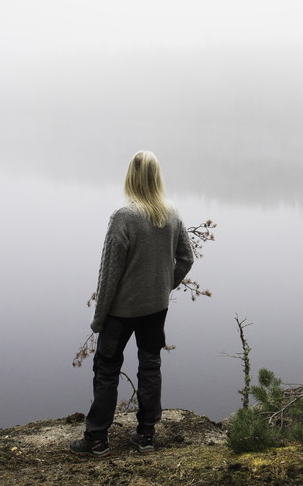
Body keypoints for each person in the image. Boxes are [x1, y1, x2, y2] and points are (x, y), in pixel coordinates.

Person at [70, 150, 194, 458]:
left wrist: (99, 319)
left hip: (121, 311)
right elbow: (186, 259)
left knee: (107, 369)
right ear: (156, 176)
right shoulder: (171, 212)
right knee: (150, 365)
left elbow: (109, 276)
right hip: (156, 307)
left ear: (131, 176)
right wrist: (164, 285)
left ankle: (97, 439)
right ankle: (146, 436)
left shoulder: (123, 217)